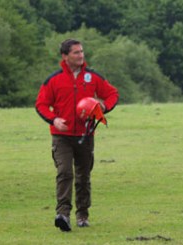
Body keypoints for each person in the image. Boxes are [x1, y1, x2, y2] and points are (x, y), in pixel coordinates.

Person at [35, 39, 119, 232]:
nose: (81, 55)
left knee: (83, 177)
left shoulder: (93, 77)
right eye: (76, 53)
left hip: (86, 134)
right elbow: (40, 104)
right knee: (64, 172)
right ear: (65, 56)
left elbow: (112, 94)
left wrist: (104, 106)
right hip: (61, 136)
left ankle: (82, 215)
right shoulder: (53, 80)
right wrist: (54, 119)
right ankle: (62, 214)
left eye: (81, 52)